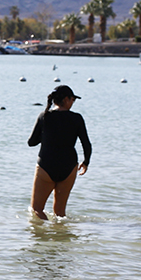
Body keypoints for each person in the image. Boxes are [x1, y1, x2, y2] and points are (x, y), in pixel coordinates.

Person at [27, 84, 91, 221]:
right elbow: (86, 144)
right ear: (66, 99)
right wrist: (86, 162)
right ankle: (60, 240)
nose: (73, 102)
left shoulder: (44, 116)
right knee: (60, 214)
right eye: (73, 99)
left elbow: (31, 142)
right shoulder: (77, 118)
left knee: (37, 209)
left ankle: (41, 240)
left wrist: (46, 135)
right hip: (68, 167)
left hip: (46, 165)